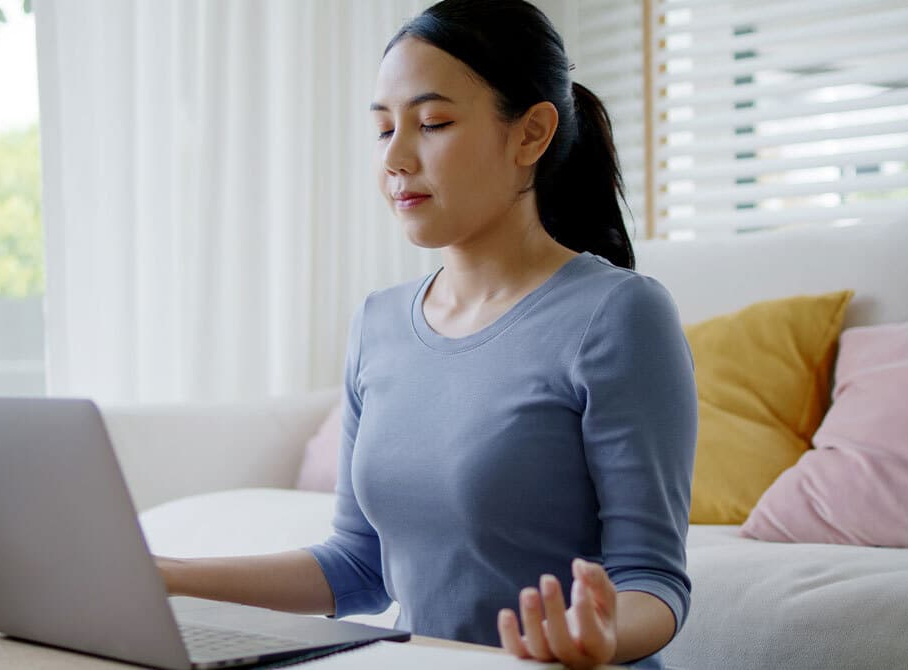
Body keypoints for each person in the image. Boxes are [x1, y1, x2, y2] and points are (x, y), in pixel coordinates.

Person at [155, 1, 698, 667]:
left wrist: (602, 633)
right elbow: (357, 566)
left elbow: (654, 578)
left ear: (531, 135)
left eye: (433, 123)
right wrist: (168, 576)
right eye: (383, 130)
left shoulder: (619, 315)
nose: (396, 157)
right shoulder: (378, 324)